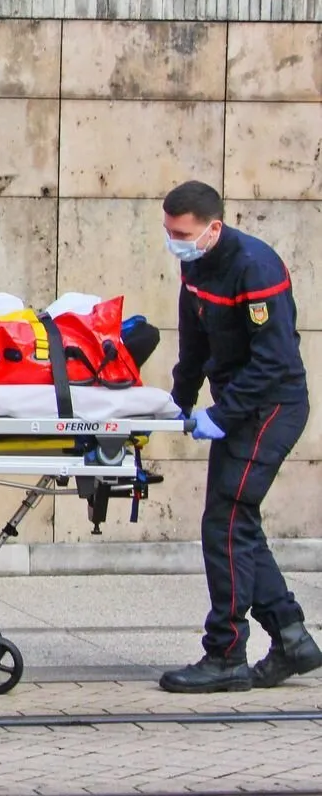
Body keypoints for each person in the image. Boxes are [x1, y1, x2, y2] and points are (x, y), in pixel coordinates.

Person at [158, 180, 321, 694]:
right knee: (239, 523)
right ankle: (292, 638)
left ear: (213, 228)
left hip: (272, 406)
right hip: (237, 406)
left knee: (225, 521)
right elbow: (194, 342)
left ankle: (226, 653)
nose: (174, 241)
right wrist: (175, 404)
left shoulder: (256, 267)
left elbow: (275, 361)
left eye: (182, 233)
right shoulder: (196, 265)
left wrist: (222, 413)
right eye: (168, 232)